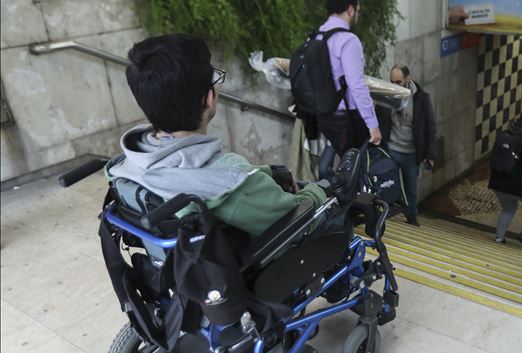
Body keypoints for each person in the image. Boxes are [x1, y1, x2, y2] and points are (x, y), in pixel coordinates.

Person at [107, 33, 328, 237]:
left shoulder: (127, 165)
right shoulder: (231, 184)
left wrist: (266, 173)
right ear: (209, 97)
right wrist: (317, 192)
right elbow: (299, 221)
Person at [315, 0, 381, 156]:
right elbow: (356, 85)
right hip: (346, 119)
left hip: (323, 116)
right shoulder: (348, 40)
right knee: (360, 167)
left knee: (346, 162)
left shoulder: (315, 36)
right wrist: (373, 125)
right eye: (358, 10)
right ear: (351, 10)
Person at [376, 64, 437, 226]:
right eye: (392, 82)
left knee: (411, 188)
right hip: (391, 149)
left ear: (408, 79)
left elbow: (430, 127)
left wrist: (431, 155)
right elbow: (378, 118)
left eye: (399, 82)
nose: (395, 86)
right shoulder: (387, 94)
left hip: (411, 152)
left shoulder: (422, 98)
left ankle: (411, 216)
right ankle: (384, 215)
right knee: (385, 183)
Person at [488, 110, 522, 244]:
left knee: (509, 208)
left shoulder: (505, 134)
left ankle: (499, 237)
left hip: (497, 182)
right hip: (516, 185)